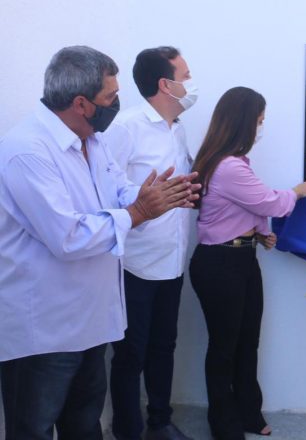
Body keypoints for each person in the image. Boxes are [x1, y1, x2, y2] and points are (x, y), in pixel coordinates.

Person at [0, 45, 199, 440]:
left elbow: (118, 190)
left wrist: (151, 197)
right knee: (33, 430)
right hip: (46, 331)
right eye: (111, 96)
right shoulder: (27, 150)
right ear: (81, 103)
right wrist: (138, 212)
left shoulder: (93, 140)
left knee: (84, 427)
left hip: (91, 321)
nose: (117, 103)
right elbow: (68, 237)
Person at [189, 87, 306, 440]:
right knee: (225, 347)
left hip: (243, 258)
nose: (261, 128)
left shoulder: (233, 163)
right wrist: (296, 192)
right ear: (244, 122)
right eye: (259, 121)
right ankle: (224, 424)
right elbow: (268, 202)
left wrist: (261, 233)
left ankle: (248, 412)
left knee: (247, 342)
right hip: (220, 264)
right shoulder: (228, 166)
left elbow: (247, 207)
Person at [104, 46, 197, 440]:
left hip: (172, 260)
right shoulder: (126, 127)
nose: (191, 85)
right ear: (165, 84)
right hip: (134, 263)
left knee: (164, 346)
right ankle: (127, 430)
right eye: (186, 77)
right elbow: (103, 188)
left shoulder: (178, 129)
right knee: (131, 354)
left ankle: (160, 421)